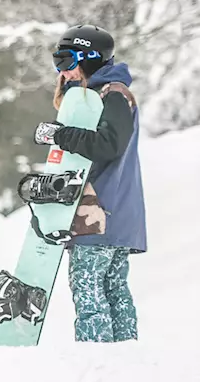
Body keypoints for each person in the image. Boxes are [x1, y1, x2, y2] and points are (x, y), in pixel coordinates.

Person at [35, 23, 147, 343]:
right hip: (116, 212)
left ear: (90, 58)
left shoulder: (112, 95)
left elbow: (109, 145)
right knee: (113, 290)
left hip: (98, 212)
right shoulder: (109, 94)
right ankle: (124, 359)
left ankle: (96, 359)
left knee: (89, 292)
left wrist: (59, 135)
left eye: (67, 62)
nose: (63, 72)